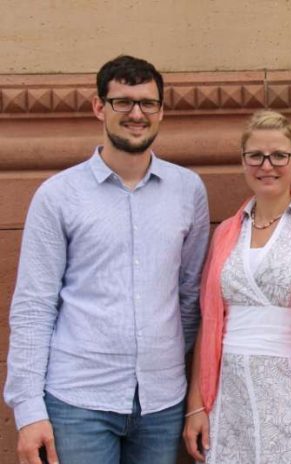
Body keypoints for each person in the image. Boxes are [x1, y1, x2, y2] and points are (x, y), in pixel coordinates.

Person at [4, 55, 210, 464]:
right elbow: (33, 305)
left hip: (161, 403)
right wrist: (28, 410)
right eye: (123, 102)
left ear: (161, 111)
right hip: (78, 402)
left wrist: (164, 355)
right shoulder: (59, 195)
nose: (137, 113)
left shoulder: (188, 191)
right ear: (99, 107)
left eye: (148, 103)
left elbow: (191, 295)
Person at [183, 110, 291, 464]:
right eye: (256, 156)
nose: (267, 165)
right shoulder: (227, 233)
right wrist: (196, 405)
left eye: (279, 155)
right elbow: (211, 323)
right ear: (243, 161)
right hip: (231, 400)